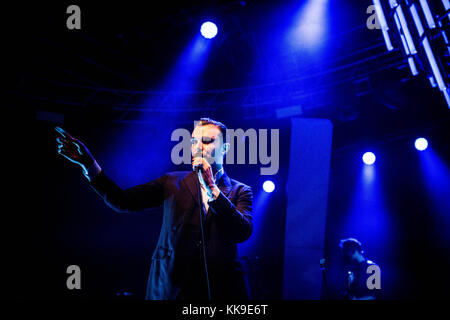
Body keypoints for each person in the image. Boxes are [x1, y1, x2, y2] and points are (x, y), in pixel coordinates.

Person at [55, 118, 253, 300]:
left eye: (207, 141)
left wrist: (212, 189)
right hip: (169, 286)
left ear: (225, 148)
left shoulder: (240, 190)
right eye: (193, 142)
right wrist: (88, 164)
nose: (198, 147)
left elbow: (242, 232)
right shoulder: (173, 181)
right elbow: (123, 201)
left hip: (215, 289)